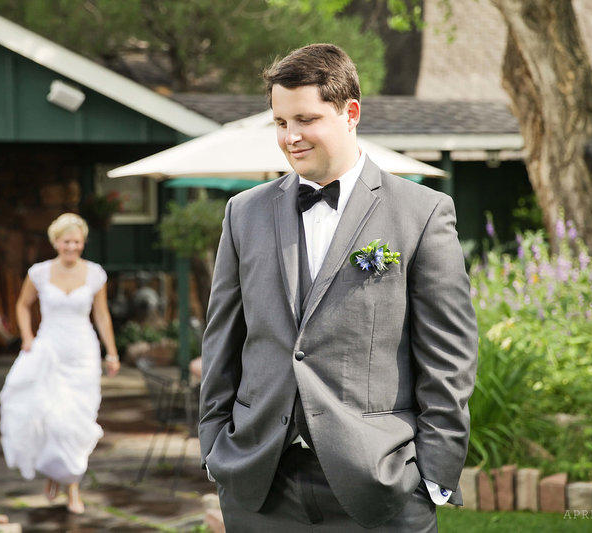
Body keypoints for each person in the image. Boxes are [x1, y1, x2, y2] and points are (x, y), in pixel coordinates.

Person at [198, 43, 478, 531]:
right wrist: (213, 449)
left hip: (378, 486)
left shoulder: (422, 213)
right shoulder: (243, 213)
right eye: (280, 123)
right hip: (260, 484)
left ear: (350, 113)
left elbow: (449, 356)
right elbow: (222, 339)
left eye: (305, 120)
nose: (291, 137)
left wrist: (434, 474)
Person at [0, 212, 120, 515]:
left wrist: (113, 352)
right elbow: (22, 305)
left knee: (78, 421)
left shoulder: (95, 274)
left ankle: (72, 484)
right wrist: (26, 337)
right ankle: (59, 476)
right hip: (49, 350)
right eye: (67, 242)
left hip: (82, 354)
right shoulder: (39, 272)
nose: (72, 247)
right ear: (55, 242)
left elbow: (102, 316)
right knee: (52, 418)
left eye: (77, 242)